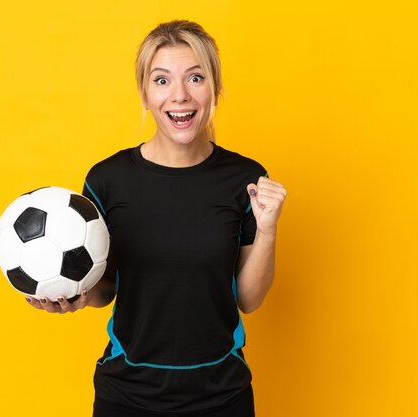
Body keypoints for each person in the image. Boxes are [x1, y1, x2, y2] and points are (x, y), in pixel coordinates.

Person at [26, 20, 287, 417]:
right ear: (145, 94)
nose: (179, 96)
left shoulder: (245, 179)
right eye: (161, 81)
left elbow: (249, 300)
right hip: (127, 396)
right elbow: (105, 288)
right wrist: (76, 296)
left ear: (214, 89)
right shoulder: (107, 180)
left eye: (195, 78)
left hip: (222, 396)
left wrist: (267, 230)